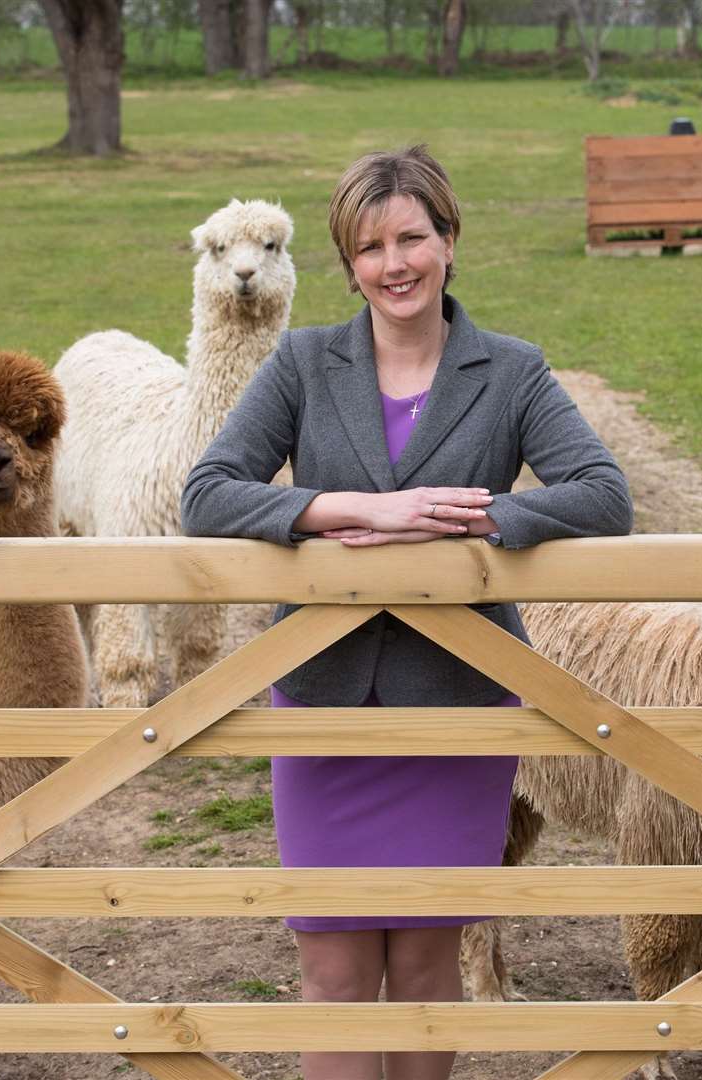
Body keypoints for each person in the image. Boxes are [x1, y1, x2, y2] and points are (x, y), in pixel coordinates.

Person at [180, 145, 632, 1080]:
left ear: (449, 240)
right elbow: (209, 493)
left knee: (427, 967)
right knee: (334, 972)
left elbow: (601, 494)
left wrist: (474, 523)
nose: (395, 263)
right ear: (348, 262)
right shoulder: (303, 363)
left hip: (457, 706)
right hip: (326, 703)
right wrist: (349, 510)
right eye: (371, 245)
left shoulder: (510, 372)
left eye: (412, 238)